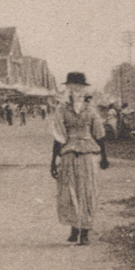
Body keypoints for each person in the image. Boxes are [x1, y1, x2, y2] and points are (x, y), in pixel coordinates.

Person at [50, 72, 108, 245]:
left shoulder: (91, 110)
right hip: (69, 154)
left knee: (88, 191)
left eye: (78, 86)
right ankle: (74, 227)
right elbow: (58, 136)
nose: (75, 89)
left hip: (88, 154)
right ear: (68, 88)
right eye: (72, 86)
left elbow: (99, 134)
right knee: (69, 191)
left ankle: (85, 231)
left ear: (84, 88)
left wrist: (104, 156)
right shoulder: (61, 109)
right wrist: (53, 161)